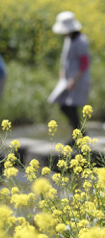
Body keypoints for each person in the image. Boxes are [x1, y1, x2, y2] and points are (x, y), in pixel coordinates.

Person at [49, 11, 91, 142]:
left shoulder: (80, 41)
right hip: (69, 80)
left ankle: (79, 136)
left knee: (69, 107)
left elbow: (85, 63)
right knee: (65, 106)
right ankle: (79, 135)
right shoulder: (69, 39)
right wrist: (63, 70)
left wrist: (74, 79)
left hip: (78, 81)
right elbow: (68, 59)